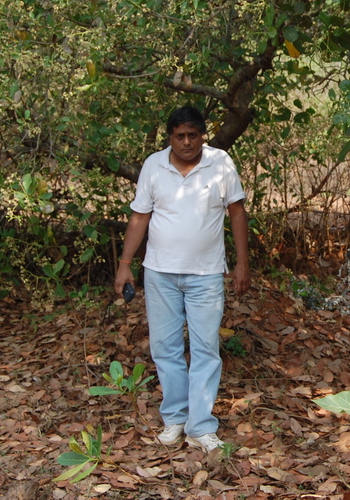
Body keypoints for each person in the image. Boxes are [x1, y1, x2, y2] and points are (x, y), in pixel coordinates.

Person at [114, 105, 250, 453]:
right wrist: (125, 263)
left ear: (203, 134)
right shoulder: (153, 165)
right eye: (180, 136)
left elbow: (236, 212)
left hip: (206, 275)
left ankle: (201, 427)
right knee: (166, 349)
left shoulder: (220, 163)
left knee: (206, 349)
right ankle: (174, 418)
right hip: (160, 272)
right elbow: (139, 217)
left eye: (193, 135)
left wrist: (242, 264)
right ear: (170, 137)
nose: (187, 142)